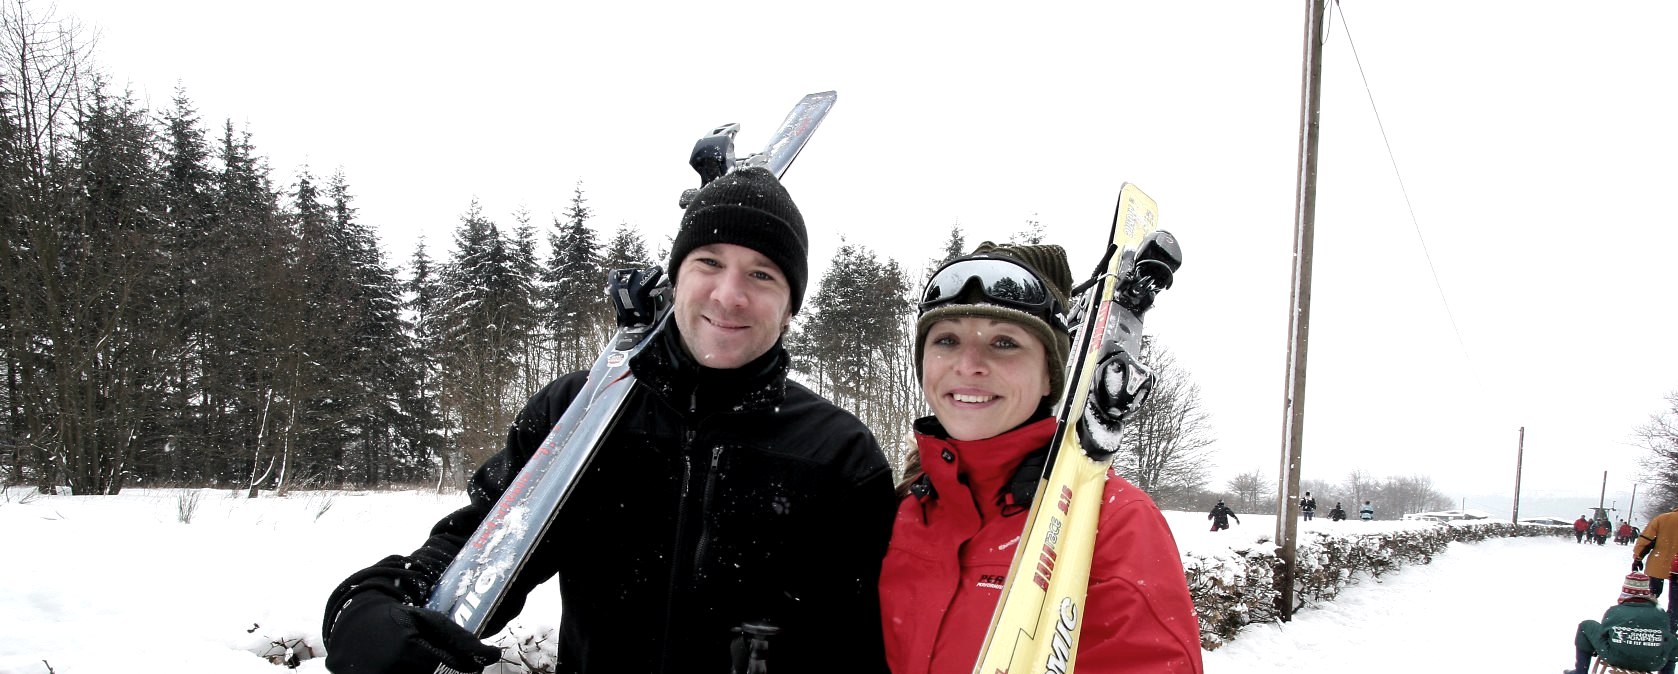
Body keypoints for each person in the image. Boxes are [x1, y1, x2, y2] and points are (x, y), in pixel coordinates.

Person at [319, 168, 897, 674]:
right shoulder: (583, 414)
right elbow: (484, 546)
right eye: (709, 263)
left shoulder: (838, 455)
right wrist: (376, 602)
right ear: (675, 280)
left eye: (762, 275)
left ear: (792, 305)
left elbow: (865, 646)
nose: (729, 295)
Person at [877, 243, 1203, 674]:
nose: (968, 364)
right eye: (947, 339)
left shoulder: (1113, 525)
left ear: (1051, 374)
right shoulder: (901, 510)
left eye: (1004, 342)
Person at [1563, 572, 1677, 674]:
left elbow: (1604, 633)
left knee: (1586, 626)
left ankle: (1580, 671)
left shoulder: (1615, 611)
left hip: (1615, 657)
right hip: (1653, 661)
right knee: (1672, 640)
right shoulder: (1660, 614)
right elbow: (1666, 638)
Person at [1635, 506, 1678, 674]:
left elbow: (1646, 539)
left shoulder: (1663, 518)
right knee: (1675, 605)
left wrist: (1638, 557)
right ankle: (1669, 632)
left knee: (1651, 598)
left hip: (1657, 566)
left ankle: (1649, 623)